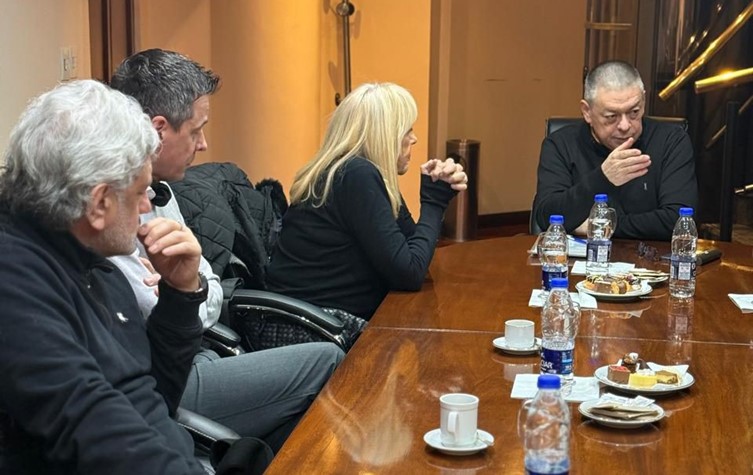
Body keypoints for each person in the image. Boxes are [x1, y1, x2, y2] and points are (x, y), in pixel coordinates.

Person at [108, 48, 344, 452]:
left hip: (198, 352)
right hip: (160, 379)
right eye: (196, 131)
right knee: (329, 361)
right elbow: (163, 312)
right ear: (159, 130)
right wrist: (187, 293)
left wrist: (188, 288)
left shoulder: (161, 192)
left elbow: (206, 287)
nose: (204, 145)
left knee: (277, 426)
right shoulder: (113, 215)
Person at [0, 79, 208, 473]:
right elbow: (92, 428)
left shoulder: (96, 263)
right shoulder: (14, 281)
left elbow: (153, 398)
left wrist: (180, 294)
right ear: (98, 204)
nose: (147, 207)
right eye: (141, 192)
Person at [266, 82, 468, 320]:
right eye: (407, 130)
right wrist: (434, 202)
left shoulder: (345, 171)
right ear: (386, 135)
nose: (414, 139)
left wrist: (436, 188)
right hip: (317, 327)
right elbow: (410, 273)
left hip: (317, 318)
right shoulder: (356, 175)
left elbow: (413, 252)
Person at [532, 60, 698, 241]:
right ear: (587, 112)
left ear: (643, 101)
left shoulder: (670, 141)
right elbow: (548, 217)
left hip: (651, 256)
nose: (625, 126)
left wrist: (601, 227)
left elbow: (679, 221)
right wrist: (603, 178)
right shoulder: (560, 144)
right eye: (611, 116)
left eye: (634, 112)